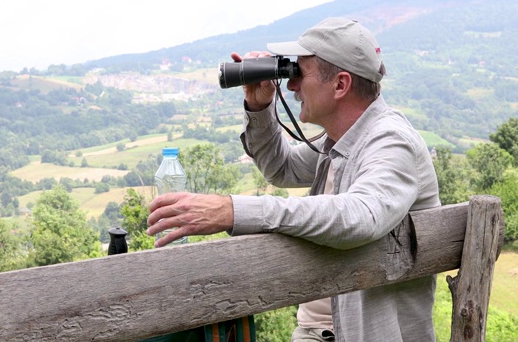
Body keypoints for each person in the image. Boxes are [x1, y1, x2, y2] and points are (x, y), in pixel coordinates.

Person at [146, 17, 440, 342]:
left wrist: (234, 211)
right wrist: (259, 106)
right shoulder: (342, 140)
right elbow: (281, 167)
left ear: (340, 85)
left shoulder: (390, 141)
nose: (292, 85)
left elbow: (362, 216)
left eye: (300, 73)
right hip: (315, 333)